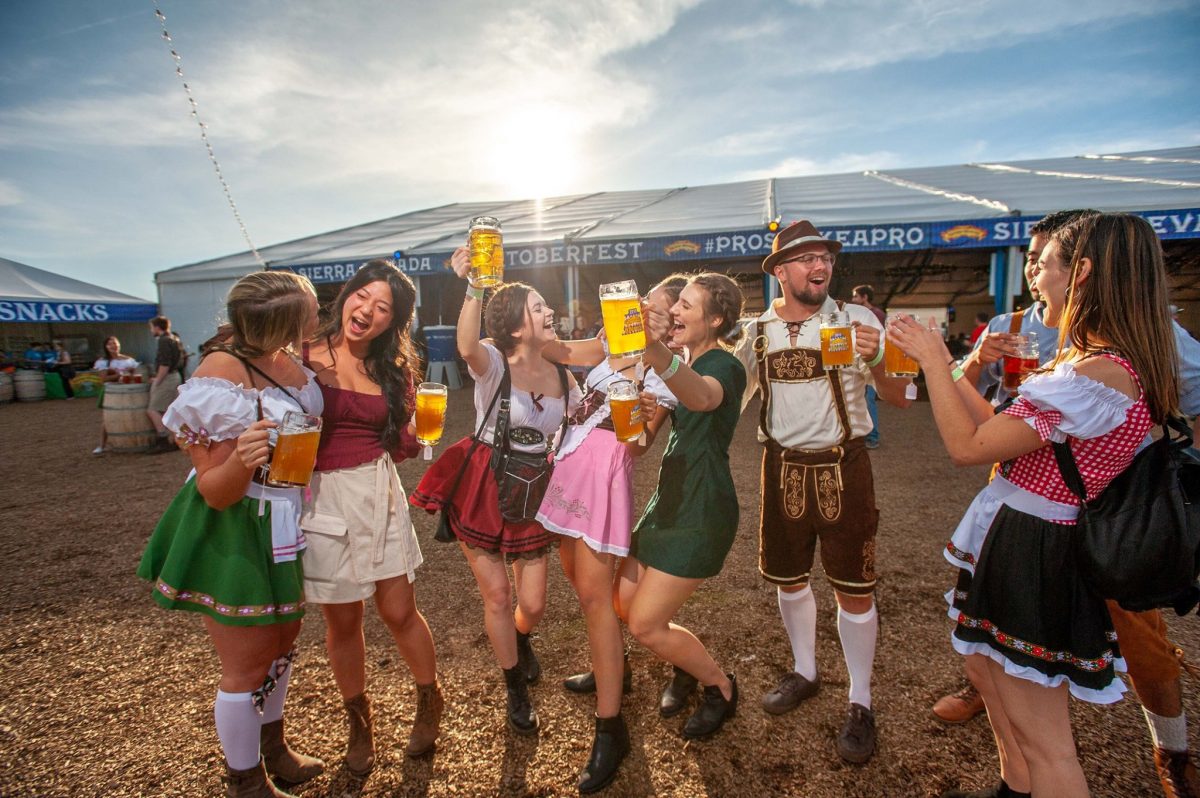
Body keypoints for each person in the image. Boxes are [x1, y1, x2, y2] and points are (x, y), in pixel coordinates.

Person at [889, 213, 1181, 798]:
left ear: (1085, 272)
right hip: (1026, 538)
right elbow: (1002, 427)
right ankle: (1014, 785)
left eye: (1047, 261)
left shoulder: (1096, 373)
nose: (1036, 270)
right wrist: (959, 365)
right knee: (989, 676)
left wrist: (930, 359)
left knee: (1047, 740)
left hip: (1041, 549)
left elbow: (968, 448)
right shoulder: (1099, 361)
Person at [136, 271, 325, 797]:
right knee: (248, 659)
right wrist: (244, 457)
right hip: (235, 524)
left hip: (285, 515)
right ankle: (246, 781)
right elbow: (215, 491)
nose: (318, 313)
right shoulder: (219, 374)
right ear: (284, 322)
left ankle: (274, 750)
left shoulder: (291, 360)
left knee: (284, 641)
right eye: (310, 308)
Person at [732, 220, 913, 764]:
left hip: (844, 466)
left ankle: (861, 699)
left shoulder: (854, 318)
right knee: (789, 581)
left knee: (854, 587)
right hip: (781, 467)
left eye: (826, 258)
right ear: (780, 271)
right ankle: (806, 671)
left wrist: (881, 357)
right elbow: (723, 399)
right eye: (806, 258)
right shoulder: (757, 331)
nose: (820, 266)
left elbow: (901, 399)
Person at [410, 249, 581, 738]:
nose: (549, 312)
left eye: (547, 306)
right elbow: (464, 344)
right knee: (499, 595)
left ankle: (521, 641)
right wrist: (474, 284)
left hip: (532, 488)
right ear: (515, 324)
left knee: (536, 603)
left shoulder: (564, 376)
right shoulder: (492, 362)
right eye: (539, 307)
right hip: (484, 482)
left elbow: (575, 433)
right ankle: (514, 687)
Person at [535, 275, 685, 793]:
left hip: (602, 479)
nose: (644, 311)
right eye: (644, 303)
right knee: (582, 590)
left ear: (671, 323)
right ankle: (606, 673)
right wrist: (525, 318)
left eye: (658, 310)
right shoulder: (608, 340)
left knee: (599, 602)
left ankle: (611, 727)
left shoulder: (664, 372)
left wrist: (640, 398)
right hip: (567, 467)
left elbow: (640, 447)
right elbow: (554, 348)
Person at [300, 260, 442, 775]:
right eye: (364, 296)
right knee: (342, 620)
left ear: (391, 322)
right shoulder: (300, 355)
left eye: (383, 308)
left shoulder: (392, 370)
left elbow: (400, 443)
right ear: (346, 296)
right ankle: (359, 724)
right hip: (318, 495)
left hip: (377, 491)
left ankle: (430, 701)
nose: (368, 311)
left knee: (399, 610)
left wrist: (422, 436)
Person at [607, 272, 745, 741]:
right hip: (668, 500)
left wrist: (652, 348)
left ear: (717, 319)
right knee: (623, 603)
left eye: (687, 305)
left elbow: (703, 397)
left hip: (702, 507)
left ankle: (720, 687)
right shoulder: (675, 368)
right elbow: (642, 445)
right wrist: (634, 416)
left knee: (645, 624)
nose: (676, 312)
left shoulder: (724, 367)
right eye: (678, 303)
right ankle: (684, 664)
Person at [851, 285, 886, 449]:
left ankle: (872, 436)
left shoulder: (875, 315)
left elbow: (880, 341)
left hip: (871, 361)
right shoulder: (858, 315)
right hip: (860, 360)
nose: (853, 300)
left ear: (864, 297)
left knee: (869, 399)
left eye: (856, 296)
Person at [92, 336, 140, 454]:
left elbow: (134, 375)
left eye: (115, 343)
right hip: (112, 391)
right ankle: (102, 445)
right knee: (108, 418)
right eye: (110, 344)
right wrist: (120, 375)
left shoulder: (128, 360)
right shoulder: (103, 362)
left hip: (127, 390)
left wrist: (130, 375)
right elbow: (103, 378)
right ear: (106, 347)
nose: (114, 346)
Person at [147, 315, 185, 451]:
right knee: (172, 410)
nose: (151, 330)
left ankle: (164, 440)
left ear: (157, 327)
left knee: (153, 409)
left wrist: (157, 380)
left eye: (151, 327)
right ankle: (176, 439)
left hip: (167, 377)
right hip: (176, 376)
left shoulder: (163, 340)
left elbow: (164, 364)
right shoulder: (174, 338)